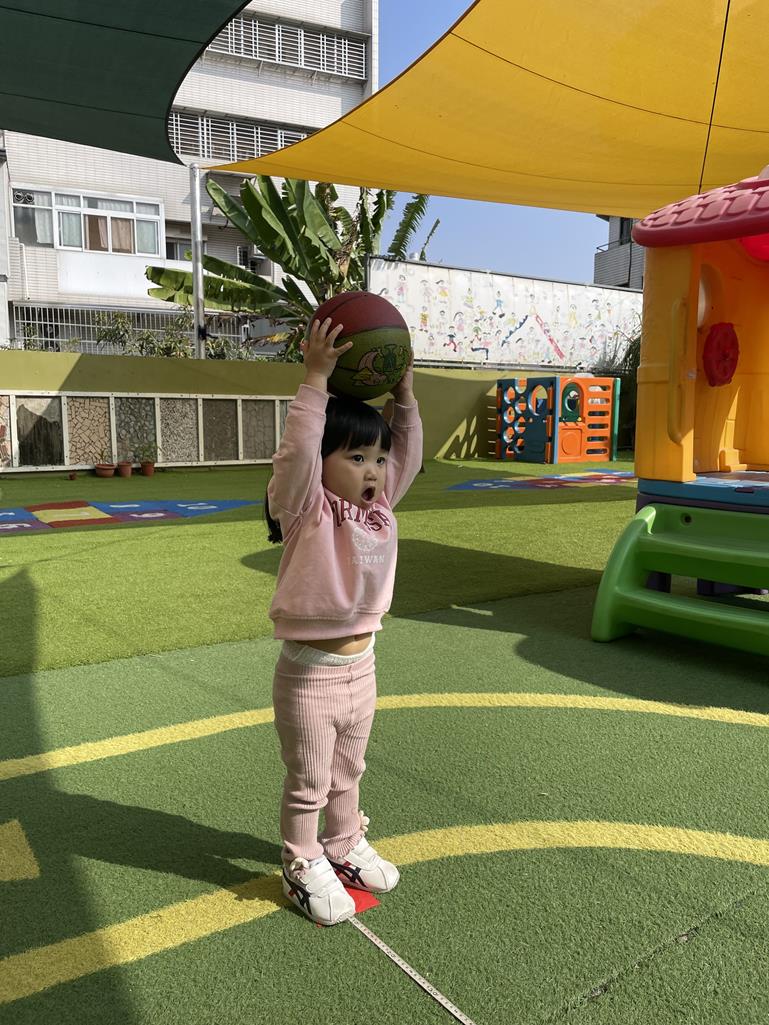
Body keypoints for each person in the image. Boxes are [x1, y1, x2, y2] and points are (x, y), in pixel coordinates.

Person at [264, 316, 423, 926]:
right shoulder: (305, 509)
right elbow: (297, 453)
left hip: (364, 667)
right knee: (309, 778)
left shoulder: (379, 511)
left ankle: (343, 841)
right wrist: (316, 379)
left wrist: (404, 398)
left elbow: (407, 455)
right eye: (356, 457)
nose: (374, 470)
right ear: (323, 463)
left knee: (349, 770)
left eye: (378, 458)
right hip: (310, 675)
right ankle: (301, 859)